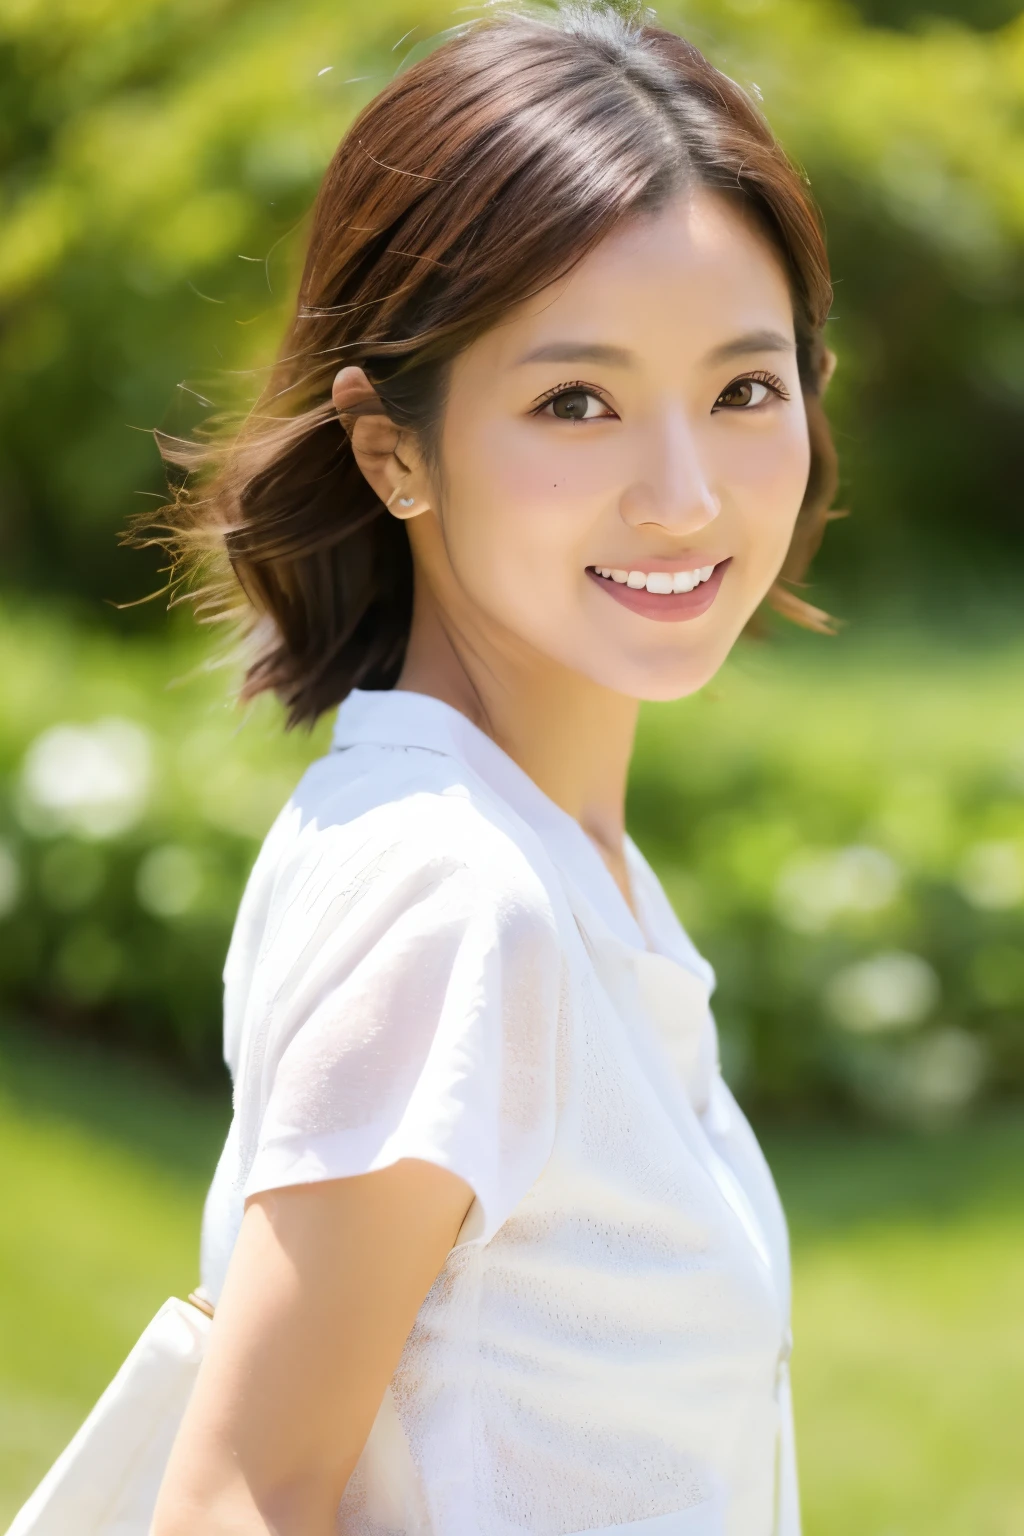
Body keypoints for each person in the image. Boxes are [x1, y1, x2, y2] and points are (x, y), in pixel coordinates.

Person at [148, 5, 840, 1534]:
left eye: (743, 388)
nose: (683, 497)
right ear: (394, 452)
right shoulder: (458, 895)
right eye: (574, 402)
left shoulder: (536, 855)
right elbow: (237, 1505)